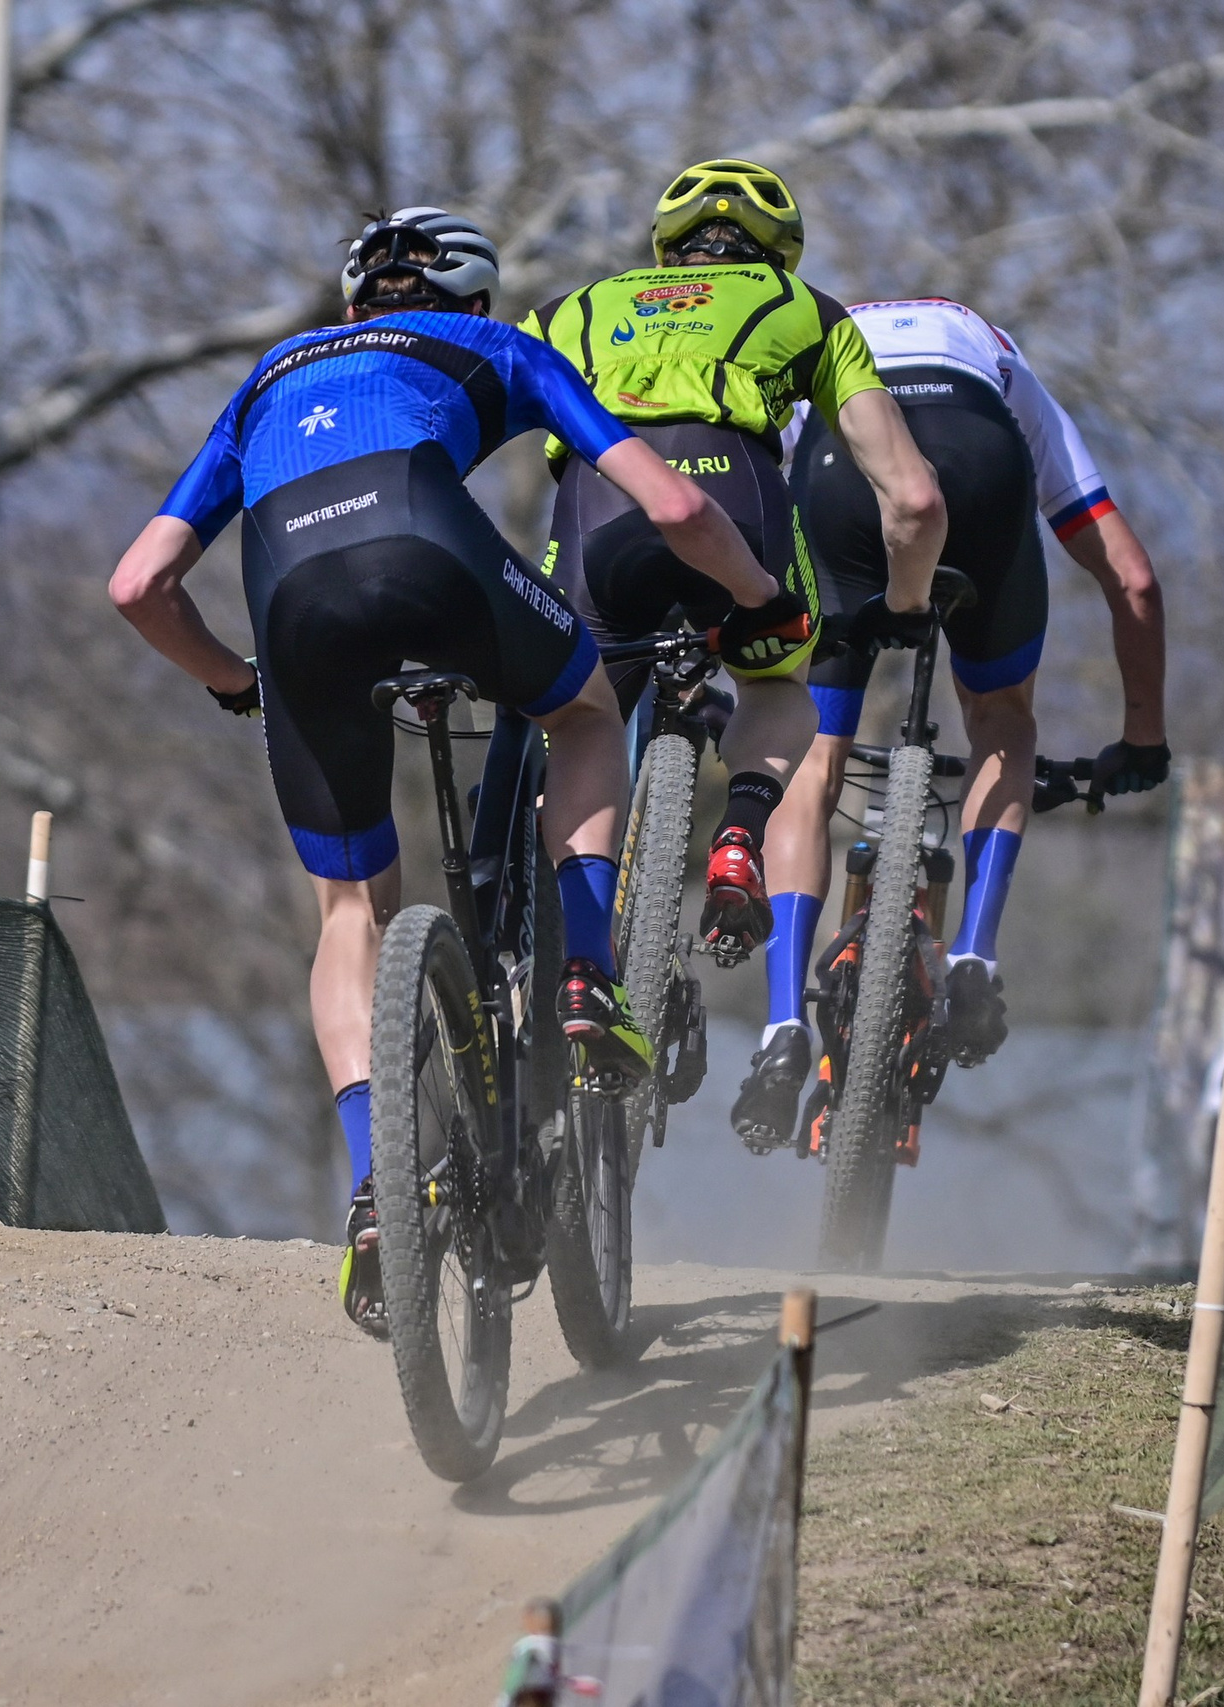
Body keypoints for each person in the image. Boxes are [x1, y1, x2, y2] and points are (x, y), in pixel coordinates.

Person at [108, 207, 783, 1332]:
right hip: (435, 561)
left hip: (292, 612)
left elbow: (138, 586)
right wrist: (763, 597)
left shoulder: (266, 379)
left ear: (347, 307)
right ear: (472, 300)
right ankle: (580, 981)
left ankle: (381, 1192)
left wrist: (237, 682)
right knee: (578, 712)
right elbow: (670, 504)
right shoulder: (503, 346)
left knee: (350, 913)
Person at [731, 296, 1170, 1146]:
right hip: (982, 456)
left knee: (810, 758)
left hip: (837, 470)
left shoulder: (812, 348)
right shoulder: (1003, 362)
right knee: (1003, 720)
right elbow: (1135, 579)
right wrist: (1143, 736)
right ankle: (974, 953)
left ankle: (782, 1026)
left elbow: (736, 524)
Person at [522, 159, 948, 968]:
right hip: (735, 506)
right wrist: (905, 602)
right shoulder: (807, 309)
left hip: (594, 513)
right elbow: (916, 498)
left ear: (666, 244)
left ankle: (555, 952)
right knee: (777, 682)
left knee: (575, 724)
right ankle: (740, 839)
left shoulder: (569, 310)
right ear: (777, 251)